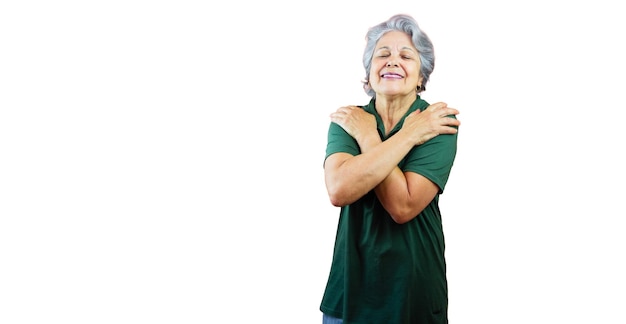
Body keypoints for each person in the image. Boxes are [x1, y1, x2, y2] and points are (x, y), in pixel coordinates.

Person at [320, 14, 460, 324]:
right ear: (368, 75)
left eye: (406, 56)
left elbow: (403, 205)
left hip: (413, 293)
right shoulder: (349, 120)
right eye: (382, 54)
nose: (392, 61)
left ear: (421, 76)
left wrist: (368, 139)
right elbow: (340, 189)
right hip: (348, 293)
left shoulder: (438, 123)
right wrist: (408, 135)